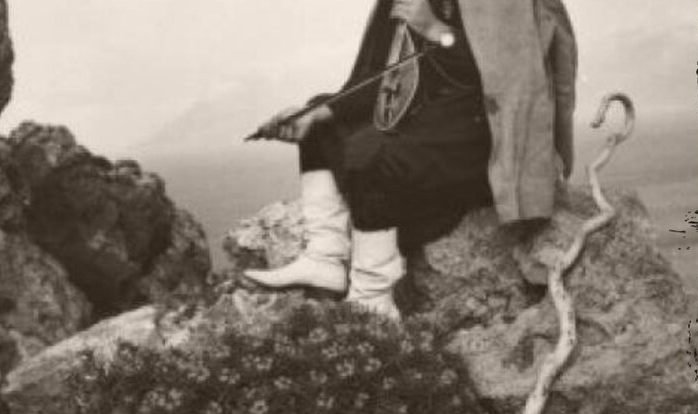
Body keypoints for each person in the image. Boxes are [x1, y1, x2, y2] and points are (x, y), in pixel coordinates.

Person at [244, 0, 577, 320]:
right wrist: (319, 112)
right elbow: (384, 79)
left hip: (488, 132)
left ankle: (373, 301)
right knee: (322, 122)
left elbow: (509, 75)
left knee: (375, 153)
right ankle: (325, 257)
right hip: (427, 118)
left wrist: (435, 30)